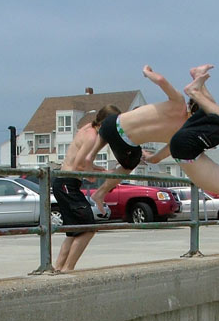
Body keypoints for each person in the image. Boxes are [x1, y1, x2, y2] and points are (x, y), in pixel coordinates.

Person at [87, 64, 211, 211]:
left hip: (113, 122)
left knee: (109, 130)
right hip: (125, 142)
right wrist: (147, 157)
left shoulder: (178, 100)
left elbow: (161, 80)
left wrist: (147, 73)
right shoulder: (181, 134)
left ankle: (90, 155)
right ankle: (100, 194)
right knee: (129, 165)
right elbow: (156, 159)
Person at [51, 104, 121, 273]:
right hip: (67, 183)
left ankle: (58, 268)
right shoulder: (91, 137)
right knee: (88, 227)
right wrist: (93, 174)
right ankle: (68, 268)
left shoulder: (87, 127)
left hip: (64, 182)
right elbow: (78, 165)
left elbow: (81, 161)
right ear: (106, 123)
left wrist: (100, 169)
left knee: (74, 231)